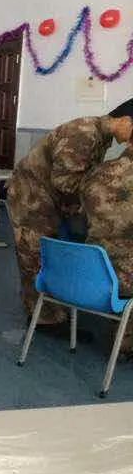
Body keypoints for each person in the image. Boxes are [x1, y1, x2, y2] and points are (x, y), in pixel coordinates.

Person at [6, 99, 133, 337]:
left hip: (47, 198)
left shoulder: (99, 135)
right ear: (125, 120)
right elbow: (65, 182)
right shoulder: (84, 133)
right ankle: (44, 320)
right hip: (32, 198)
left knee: (43, 254)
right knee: (34, 255)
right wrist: (99, 195)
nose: (129, 141)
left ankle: (52, 310)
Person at [81, 123, 133, 352]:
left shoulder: (95, 173)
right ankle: (125, 343)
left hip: (92, 271)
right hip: (125, 277)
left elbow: (83, 217)